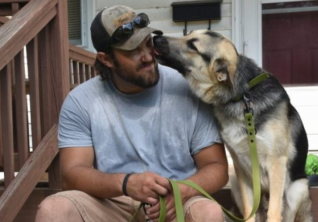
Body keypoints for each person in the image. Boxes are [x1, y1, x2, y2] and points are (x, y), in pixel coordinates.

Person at [35, 5, 228, 222]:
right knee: (54, 210)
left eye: (148, 43)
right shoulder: (81, 101)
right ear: (106, 59)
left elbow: (217, 167)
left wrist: (182, 191)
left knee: (208, 212)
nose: (147, 56)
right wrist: (126, 184)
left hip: (176, 200)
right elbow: (71, 175)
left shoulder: (187, 89)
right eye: (133, 50)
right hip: (112, 201)